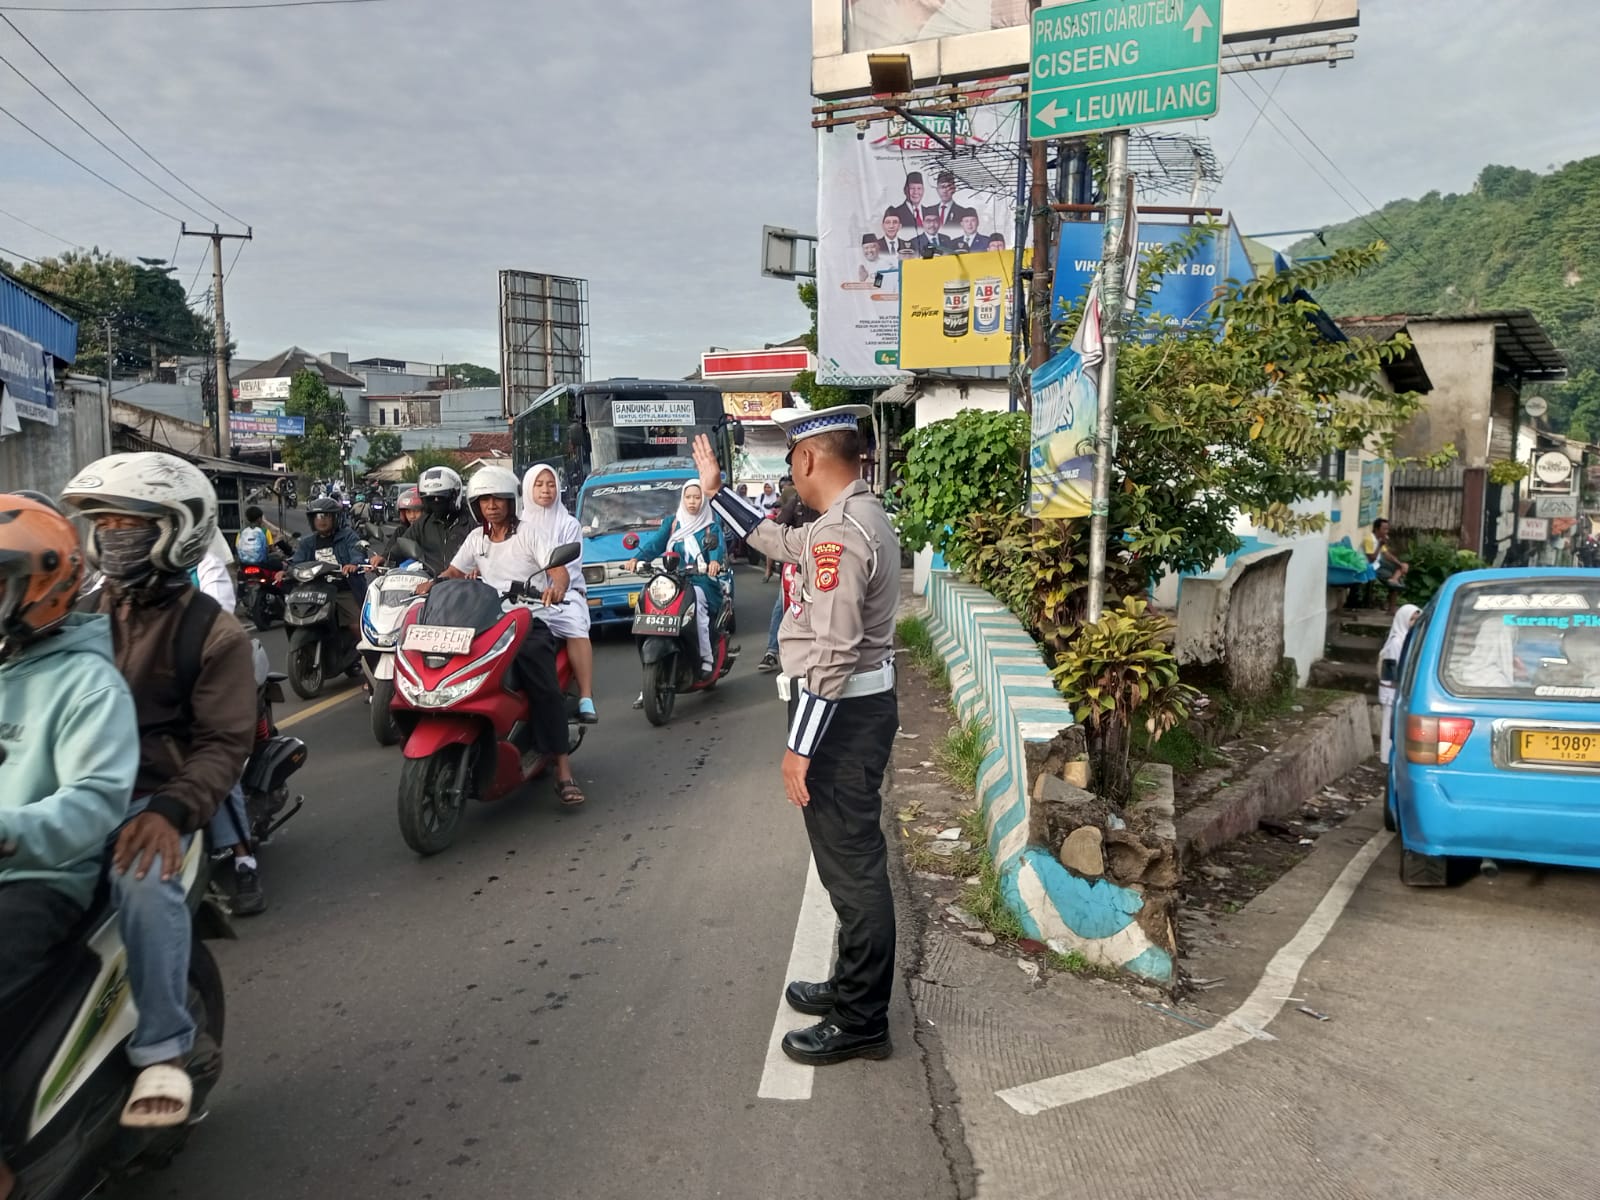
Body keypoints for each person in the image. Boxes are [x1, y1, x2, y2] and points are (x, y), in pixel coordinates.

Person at [693, 405, 901, 1066]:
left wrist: (799, 748)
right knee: (844, 863)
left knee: (854, 869)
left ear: (809, 458)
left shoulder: (841, 534)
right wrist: (718, 490)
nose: (790, 471)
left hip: (841, 720)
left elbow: (834, 653)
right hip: (851, 712)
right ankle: (848, 986)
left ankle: (861, 1019)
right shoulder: (850, 519)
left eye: (790, 459)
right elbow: (775, 540)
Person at [61, 452, 256, 1129]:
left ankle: (165, 1048)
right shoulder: (74, 612)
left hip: (151, 798)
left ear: (178, 529)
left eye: (130, 523)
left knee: (142, 879)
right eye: (105, 523)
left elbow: (224, 743)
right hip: (66, 794)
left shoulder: (212, 631)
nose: (112, 535)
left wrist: (170, 812)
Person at [0, 494, 140, 1200]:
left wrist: (12, 832)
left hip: (37, 874)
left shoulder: (88, 681)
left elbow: (94, 799)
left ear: (45, 584)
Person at [423, 467, 586, 805]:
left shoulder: (529, 534)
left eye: (498, 499)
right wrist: (433, 583)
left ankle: (563, 770)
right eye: (484, 500)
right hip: (486, 620)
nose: (491, 506)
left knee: (544, 687)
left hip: (528, 619)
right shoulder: (477, 539)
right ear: (476, 506)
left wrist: (557, 587)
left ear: (511, 502)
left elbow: (558, 570)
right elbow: (455, 570)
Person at [626, 482, 727, 681]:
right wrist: (637, 559)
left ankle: (706, 657)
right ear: (682, 499)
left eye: (697, 497)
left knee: (698, 607)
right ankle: (652, 673)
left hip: (700, 581)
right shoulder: (672, 524)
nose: (692, 502)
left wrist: (714, 562)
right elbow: (655, 544)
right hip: (672, 580)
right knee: (649, 602)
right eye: (688, 497)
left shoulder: (710, 527)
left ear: (703, 500)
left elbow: (717, 548)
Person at [522, 464, 598, 723]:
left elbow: (570, 568)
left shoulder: (569, 524)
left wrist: (557, 589)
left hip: (566, 593)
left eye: (551, 484)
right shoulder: (517, 524)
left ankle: (586, 696)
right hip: (526, 594)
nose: (546, 490)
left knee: (575, 624)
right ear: (528, 488)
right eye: (539, 484)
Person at [759, 484, 820, 673]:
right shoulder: (795, 503)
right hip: (795, 562)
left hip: (822, 561)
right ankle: (771, 651)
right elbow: (777, 528)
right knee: (782, 603)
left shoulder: (828, 503)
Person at [292, 497, 368, 635]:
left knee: (358, 626)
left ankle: (363, 649)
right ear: (312, 520)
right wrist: (286, 571)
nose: (322, 520)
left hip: (343, 589)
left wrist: (353, 565)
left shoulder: (348, 536)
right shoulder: (307, 543)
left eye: (326, 516)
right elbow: (297, 562)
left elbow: (357, 552)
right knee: (297, 621)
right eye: (318, 516)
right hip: (315, 592)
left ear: (335, 518)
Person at [402, 466, 474, 576]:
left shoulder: (472, 522)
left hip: (463, 583)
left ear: (454, 495)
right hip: (430, 581)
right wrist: (384, 557)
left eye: (441, 497)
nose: (436, 501)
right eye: (430, 498)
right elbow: (403, 544)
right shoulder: (423, 523)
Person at [1377, 604, 1421, 764]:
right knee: (1389, 725)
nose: (1414, 623)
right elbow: (1393, 671)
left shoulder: (1408, 640)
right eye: (1411, 619)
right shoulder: (1396, 642)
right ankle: (1387, 758)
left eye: (1416, 619)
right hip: (1393, 690)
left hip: (1400, 689)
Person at [1363, 518, 1410, 612]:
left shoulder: (1380, 539)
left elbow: (1387, 554)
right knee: (1394, 584)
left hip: (1378, 563)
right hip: (1370, 566)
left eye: (1387, 529)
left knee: (1402, 566)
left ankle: (1394, 579)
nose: (1386, 531)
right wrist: (1379, 545)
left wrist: (1400, 564)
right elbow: (1371, 559)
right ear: (1376, 529)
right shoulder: (1369, 539)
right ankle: (1391, 610)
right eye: (1384, 529)